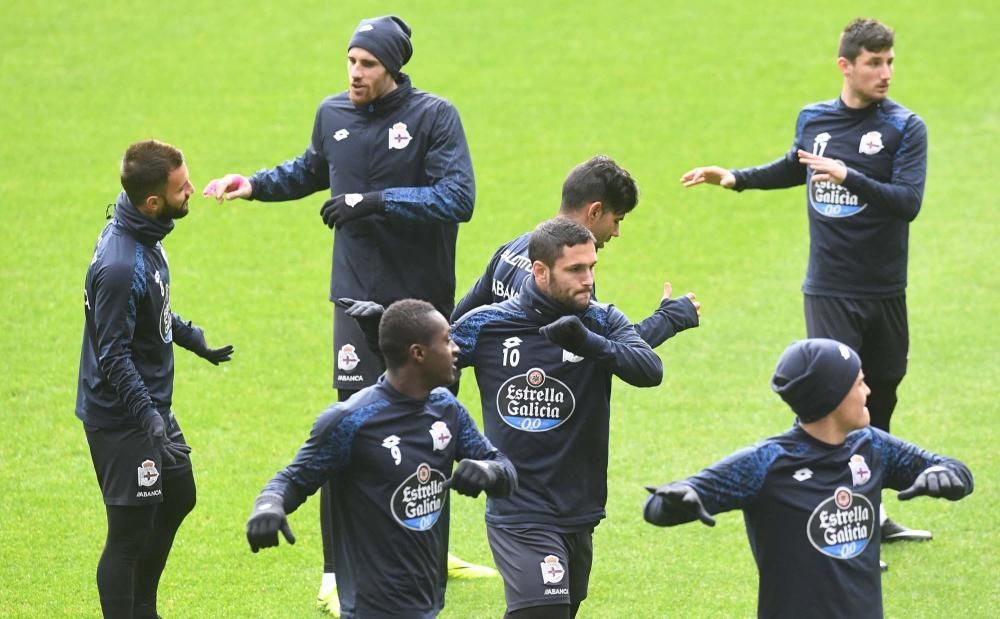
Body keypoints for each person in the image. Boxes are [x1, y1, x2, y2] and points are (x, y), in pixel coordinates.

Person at [202, 14, 485, 610]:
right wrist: (252, 184)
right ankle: (335, 571)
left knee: (433, 423)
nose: (355, 74)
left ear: (393, 68)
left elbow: (458, 198)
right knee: (352, 426)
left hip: (422, 301)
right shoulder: (334, 114)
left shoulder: (435, 117)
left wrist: (373, 201)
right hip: (357, 299)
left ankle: (433, 548)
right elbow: (313, 168)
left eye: (368, 65)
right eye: (351, 62)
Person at [679, 17, 929, 544]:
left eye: (890, 62)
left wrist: (848, 176)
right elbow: (797, 165)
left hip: (884, 289)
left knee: (878, 399)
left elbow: (908, 203)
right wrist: (738, 179)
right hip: (830, 287)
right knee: (839, 401)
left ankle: (872, 511)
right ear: (846, 65)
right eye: (874, 63)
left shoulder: (905, 128)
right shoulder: (815, 119)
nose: (885, 73)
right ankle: (845, 518)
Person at [643, 338, 973, 618]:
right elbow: (658, 507)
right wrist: (674, 505)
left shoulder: (872, 447)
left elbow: (955, 472)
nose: (868, 391)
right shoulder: (766, 463)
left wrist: (945, 477)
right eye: (859, 383)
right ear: (834, 397)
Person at [246, 299, 517, 619]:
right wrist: (269, 505)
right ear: (418, 353)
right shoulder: (351, 420)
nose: (457, 349)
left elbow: (504, 469)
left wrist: (488, 472)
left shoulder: (447, 408)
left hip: (428, 600)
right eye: (446, 340)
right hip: (370, 606)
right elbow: (293, 478)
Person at [450, 218, 663, 618]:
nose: (588, 279)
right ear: (540, 271)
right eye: (576, 269)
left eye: (592, 267)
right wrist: (384, 335)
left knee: (561, 610)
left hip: (579, 505)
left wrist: (586, 342)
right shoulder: (487, 324)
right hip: (518, 504)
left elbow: (649, 369)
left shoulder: (602, 320)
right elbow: (428, 372)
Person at [76, 140, 234, 618]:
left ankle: (143, 606)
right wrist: (148, 418)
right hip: (123, 418)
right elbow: (113, 353)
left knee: (179, 493)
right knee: (127, 536)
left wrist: (191, 338)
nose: (190, 191)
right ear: (152, 201)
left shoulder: (143, 232)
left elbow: (149, 311)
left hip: (148, 410)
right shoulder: (121, 264)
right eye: (182, 187)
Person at [452, 155, 701, 346]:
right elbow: (611, 349)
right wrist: (670, 319)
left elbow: (459, 320)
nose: (616, 232)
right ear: (594, 211)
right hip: (551, 404)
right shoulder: (568, 279)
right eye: (617, 220)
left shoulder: (511, 249)